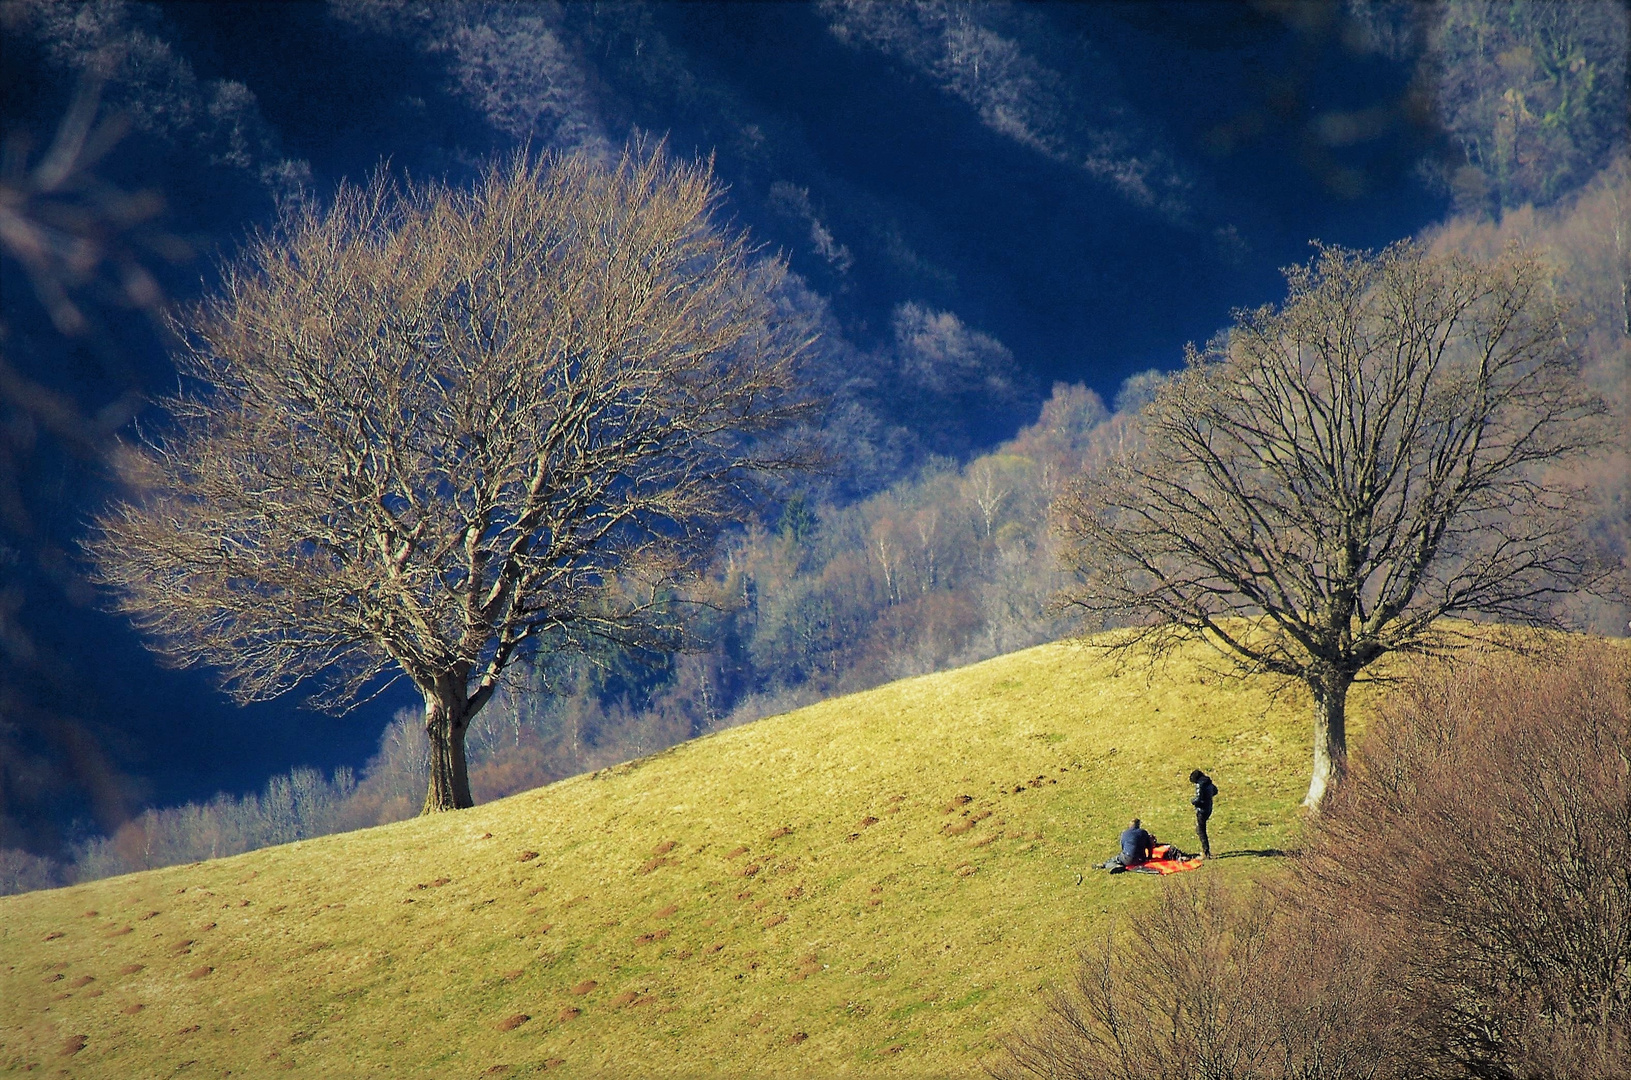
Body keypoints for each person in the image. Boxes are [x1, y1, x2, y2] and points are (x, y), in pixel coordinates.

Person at [1190, 769, 1218, 858]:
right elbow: (1215, 791)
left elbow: (1198, 798)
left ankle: (1206, 851)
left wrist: (1193, 801)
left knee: (1201, 830)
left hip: (1201, 809)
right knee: (1201, 829)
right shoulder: (1208, 782)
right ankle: (1206, 850)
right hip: (1208, 807)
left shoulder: (1200, 785)